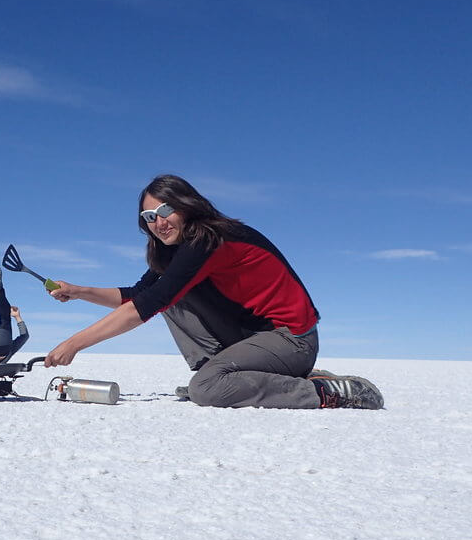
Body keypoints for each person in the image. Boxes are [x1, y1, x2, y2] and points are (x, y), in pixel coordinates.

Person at [42, 174, 383, 409]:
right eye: (149, 216)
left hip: (292, 339)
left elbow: (148, 305)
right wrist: (79, 291)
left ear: (186, 206)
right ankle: (222, 375)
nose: (158, 222)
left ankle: (321, 392)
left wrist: (75, 343)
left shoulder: (207, 241)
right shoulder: (179, 251)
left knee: (205, 389)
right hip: (253, 336)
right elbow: (139, 295)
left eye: (165, 211)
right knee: (167, 297)